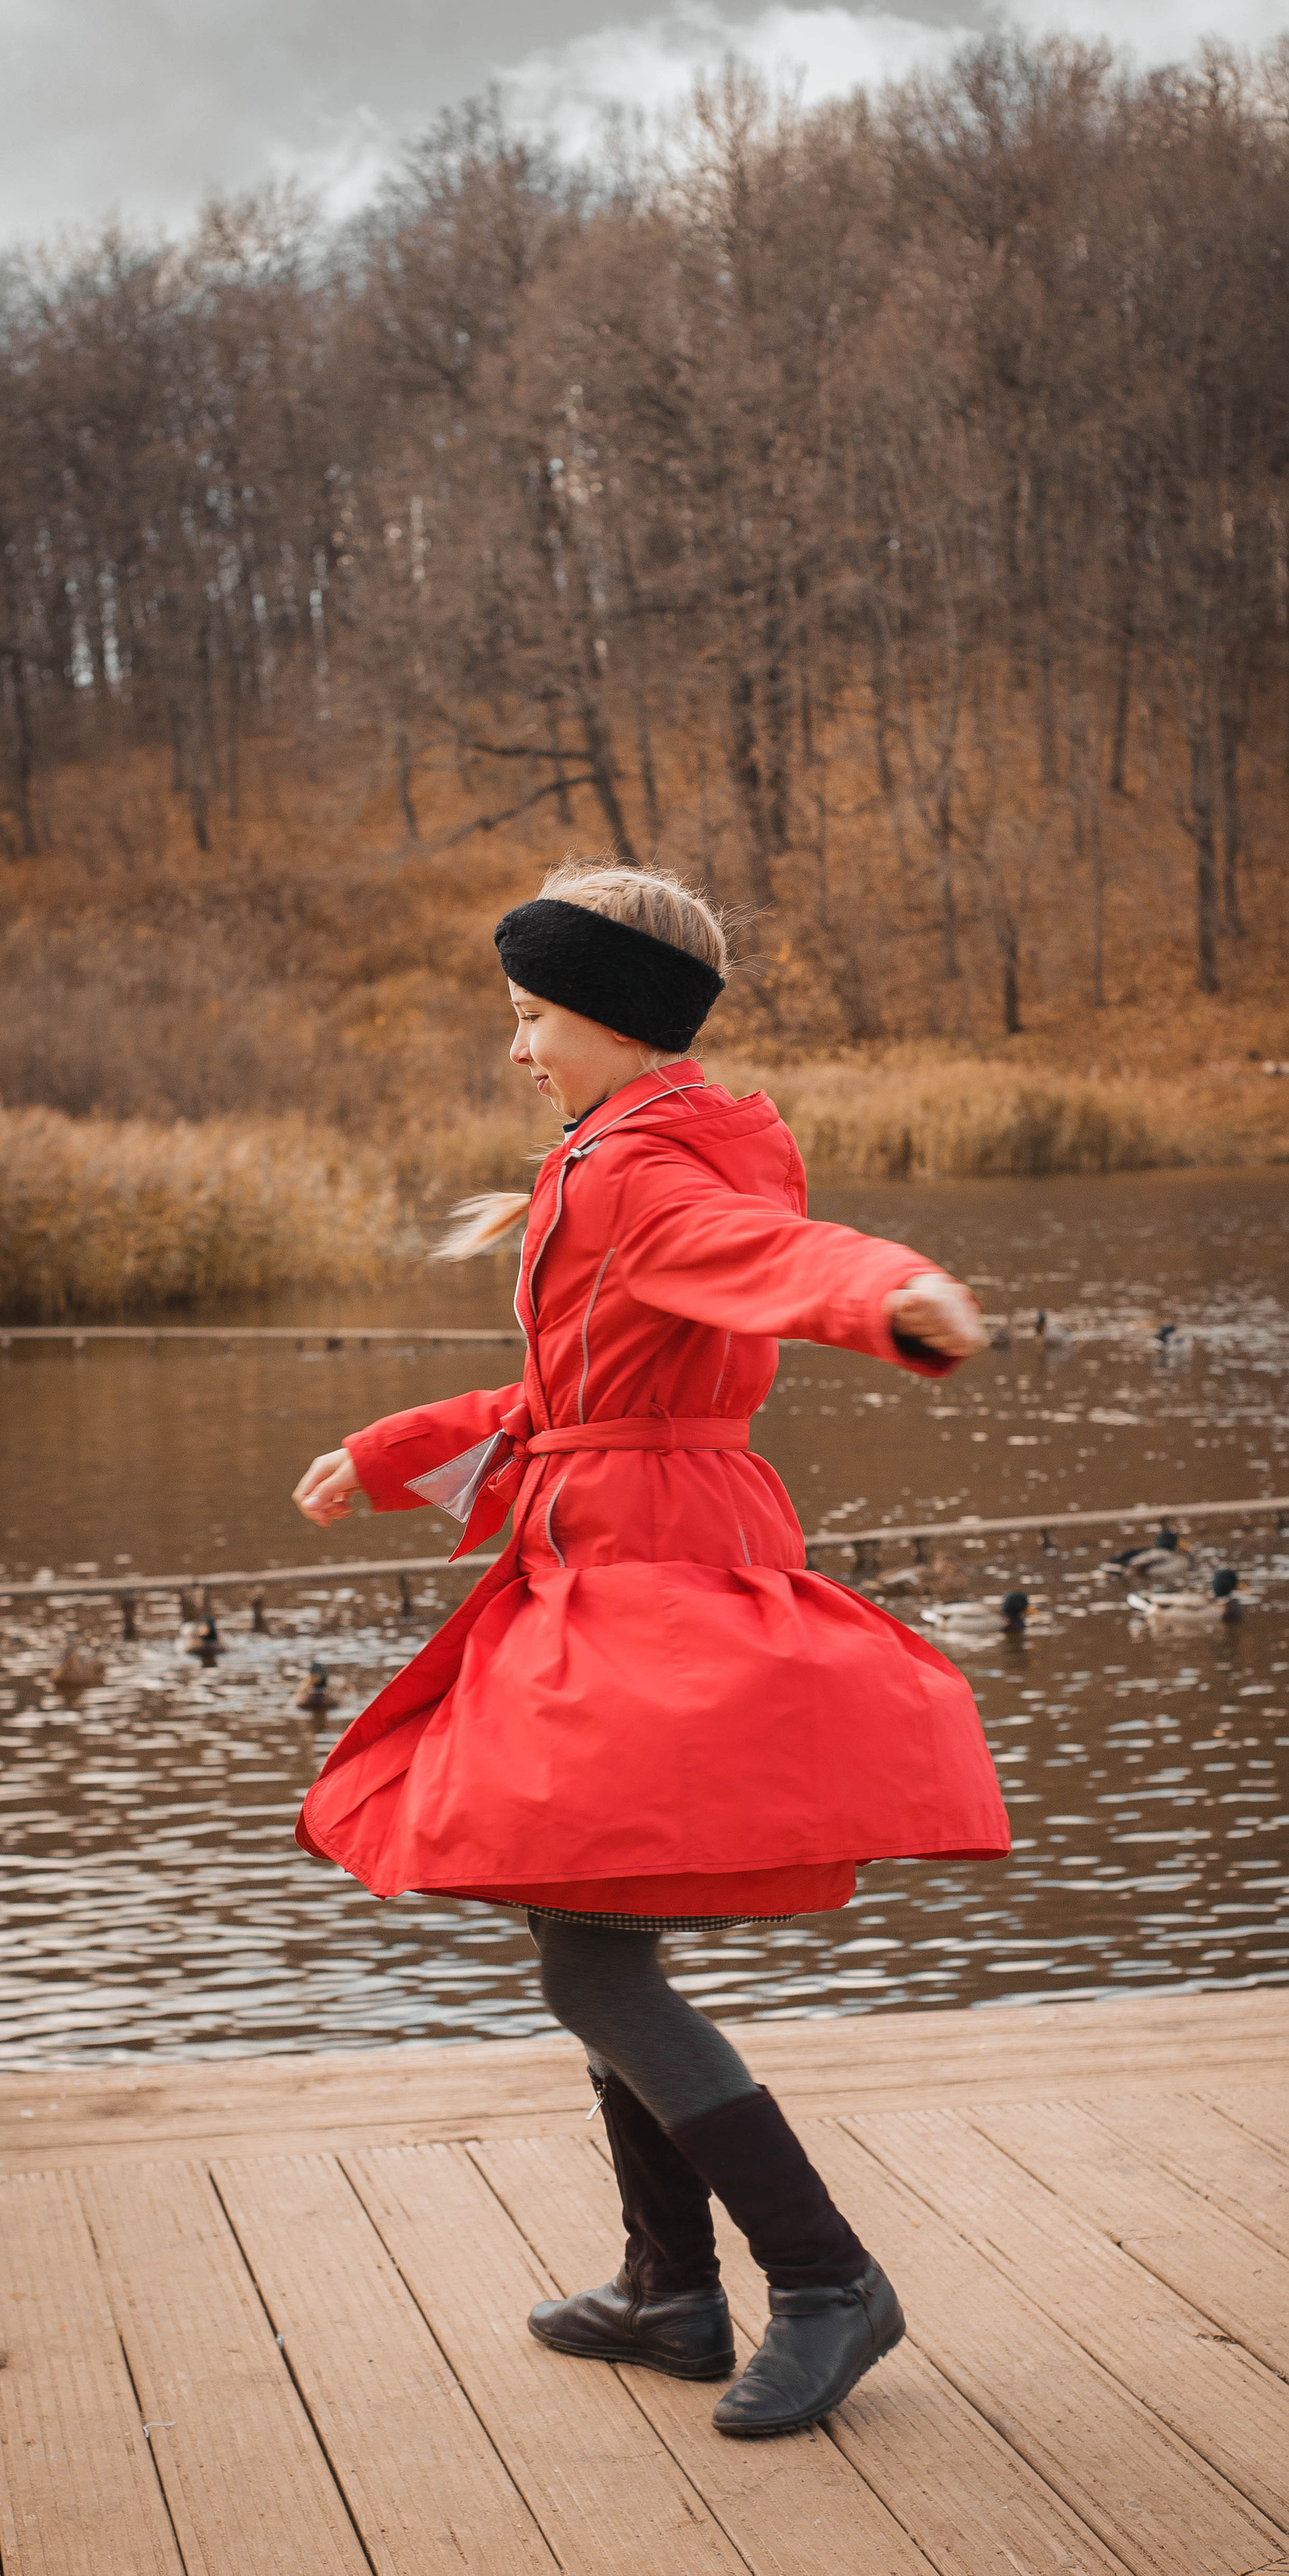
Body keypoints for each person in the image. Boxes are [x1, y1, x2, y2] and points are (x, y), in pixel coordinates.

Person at [293, 861, 1009, 2435]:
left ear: (614, 1019)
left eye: (533, 1012)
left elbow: (765, 1260)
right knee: (586, 1930)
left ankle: (823, 2281)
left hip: (646, 1570)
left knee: (590, 1955)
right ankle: (668, 2290)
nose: (516, 1045)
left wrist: (890, 1293)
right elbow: (575, 1395)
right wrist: (402, 1446)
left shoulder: (649, 1170)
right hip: (614, 1535)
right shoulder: (624, 1148)